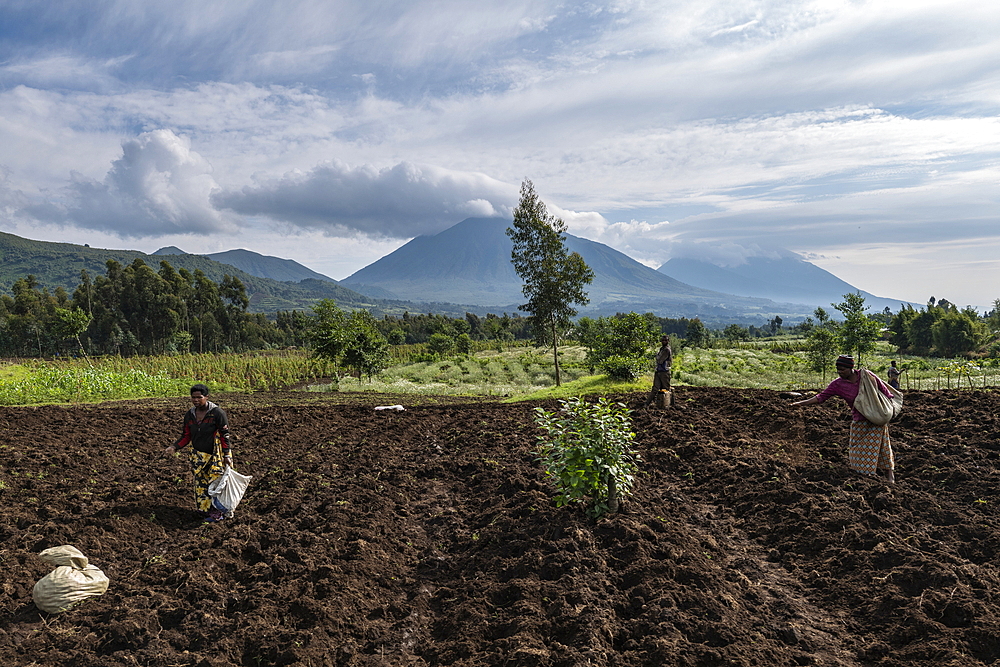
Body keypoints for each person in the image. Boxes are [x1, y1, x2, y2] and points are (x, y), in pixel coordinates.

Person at [791, 355, 896, 483]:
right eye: (838, 370)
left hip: (876, 418)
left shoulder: (866, 376)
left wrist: (889, 408)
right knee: (857, 451)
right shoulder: (838, 384)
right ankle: (865, 478)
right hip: (859, 421)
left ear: (851, 368)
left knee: (883, 448)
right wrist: (801, 404)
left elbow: (884, 391)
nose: (840, 372)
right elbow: (821, 397)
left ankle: (890, 477)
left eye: (843, 369)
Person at [165, 384, 234, 522]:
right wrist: (174, 447)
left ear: (206, 397)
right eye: (193, 397)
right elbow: (186, 435)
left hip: (216, 456)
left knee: (216, 483)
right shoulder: (190, 415)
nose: (196, 400)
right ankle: (205, 510)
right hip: (199, 456)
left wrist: (227, 455)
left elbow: (224, 435)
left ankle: (218, 513)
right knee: (201, 484)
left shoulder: (217, 413)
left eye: (199, 397)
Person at [642, 335, 673, 408]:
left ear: (668, 341)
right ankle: (647, 403)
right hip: (659, 371)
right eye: (662, 340)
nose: (664, 342)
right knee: (655, 389)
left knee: (666, 389)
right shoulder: (662, 349)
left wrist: (657, 356)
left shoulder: (666, 350)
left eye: (665, 340)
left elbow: (660, 360)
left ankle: (669, 404)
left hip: (664, 372)